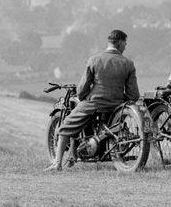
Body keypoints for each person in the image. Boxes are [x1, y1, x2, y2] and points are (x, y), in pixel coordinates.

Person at [46, 29, 140, 171]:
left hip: (94, 104)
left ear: (110, 42)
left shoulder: (94, 60)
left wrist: (83, 98)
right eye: (125, 44)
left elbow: (82, 89)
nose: (125, 47)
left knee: (64, 127)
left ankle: (57, 163)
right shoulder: (128, 64)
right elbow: (133, 94)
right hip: (117, 106)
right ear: (120, 43)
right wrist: (120, 99)